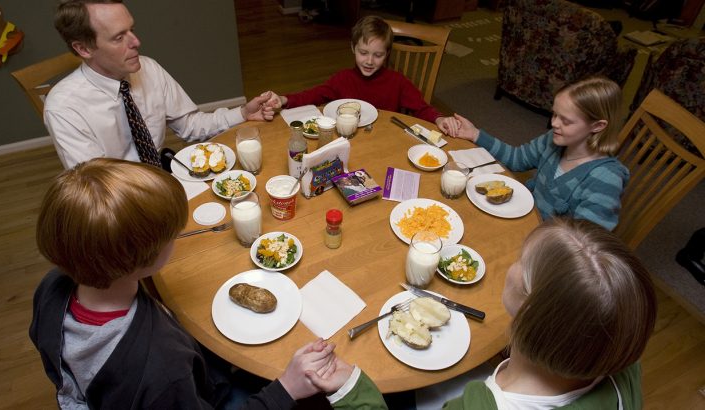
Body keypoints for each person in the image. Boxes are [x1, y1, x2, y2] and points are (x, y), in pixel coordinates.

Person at [29, 158, 337, 409]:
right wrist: (286, 389)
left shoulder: (50, 287)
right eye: (172, 235)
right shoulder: (163, 368)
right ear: (146, 259)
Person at [306, 217, 658, 409]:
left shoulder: (480, 406)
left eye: (522, 259)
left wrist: (354, 391)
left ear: (533, 314)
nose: (512, 263)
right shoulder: (619, 353)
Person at [45, 0, 276, 169]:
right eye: (118, 37)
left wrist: (243, 112)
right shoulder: (64, 108)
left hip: (162, 174)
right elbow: (98, 187)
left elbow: (190, 125)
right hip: (120, 199)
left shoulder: (148, 69)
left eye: (131, 30)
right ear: (84, 49)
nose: (136, 42)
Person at [451, 76, 629, 230]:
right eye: (554, 115)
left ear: (597, 126)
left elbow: (583, 244)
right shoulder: (555, 139)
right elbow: (517, 158)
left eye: (566, 120)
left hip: (547, 249)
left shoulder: (605, 180)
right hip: (524, 219)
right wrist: (475, 134)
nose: (554, 124)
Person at [267, 15, 462, 136]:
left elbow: (421, 108)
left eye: (378, 55)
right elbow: (313, 95)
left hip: (385, 140)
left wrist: (439, 119)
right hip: (347, 139)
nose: (369, 61)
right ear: (353, 48)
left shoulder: (397, 82)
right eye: (363, 53)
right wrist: (284, 99)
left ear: (386, 54)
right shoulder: (342, 79)